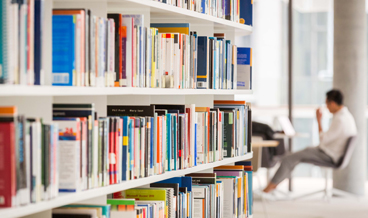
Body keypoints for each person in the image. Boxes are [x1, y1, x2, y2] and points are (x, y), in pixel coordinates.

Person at [263, 89, 357, 193]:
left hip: (329, 155)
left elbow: (323, 140)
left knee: (289, 159)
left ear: (333, 103)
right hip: (329, 152)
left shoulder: (340, 119)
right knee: (292, 158)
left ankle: (269, 188)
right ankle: (273, 185)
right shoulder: (347, 116)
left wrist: (318, 120)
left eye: (327, 104)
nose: (327, 107)